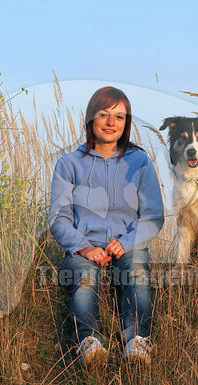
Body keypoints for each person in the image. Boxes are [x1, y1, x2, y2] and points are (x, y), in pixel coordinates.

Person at [48, 86, 164, 368]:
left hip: (129, 246)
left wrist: (127, 242)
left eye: (120, 117)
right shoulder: (69, 163)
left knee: (137, 272)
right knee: (85, 281)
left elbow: (153, 215)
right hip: (83, 249)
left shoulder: (140, 162)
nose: (111, 123)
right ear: (91, 118)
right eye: (104, 114)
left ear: (126, 124)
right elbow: (58, 218)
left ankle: (137, 342)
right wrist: (84, 247)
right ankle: (88, 343)